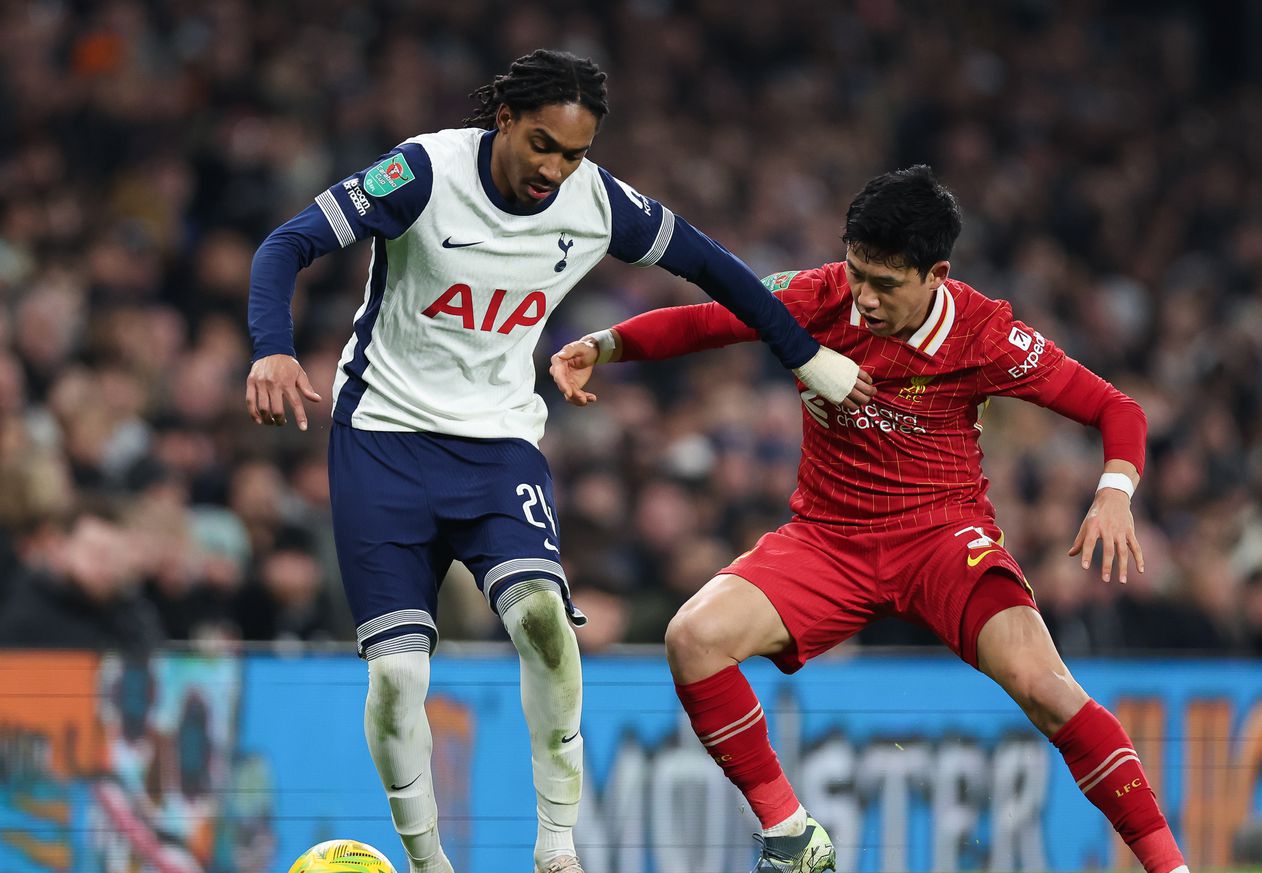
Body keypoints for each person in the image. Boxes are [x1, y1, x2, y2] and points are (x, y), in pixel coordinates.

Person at [244, 49, 871, 873]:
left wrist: (806, 357)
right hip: (382, 442)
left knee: (543, 621)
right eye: (543, 145)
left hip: (499, 444)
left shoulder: (598, 202)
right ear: (503, 120)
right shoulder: (423, 173)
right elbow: (286, 245)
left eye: (573, 153)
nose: (556, 169)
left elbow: (720, 272)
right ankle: (430, 863)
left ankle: (556, 848)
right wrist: (272, 349)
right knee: (398, 678)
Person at [551, 165, 1190, 873]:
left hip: (942, 538)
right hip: (828, 538)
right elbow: (708, 317)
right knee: (692, 637)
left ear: (935, 274)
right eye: (858, 271)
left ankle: (1169, 867)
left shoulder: (984, 332)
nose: (865, 296)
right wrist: (605, 345)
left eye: (886, 283)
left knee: (1047, 689)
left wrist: (1113, 491)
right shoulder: (817, 296)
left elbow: (1117, 409)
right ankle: (792, 835)